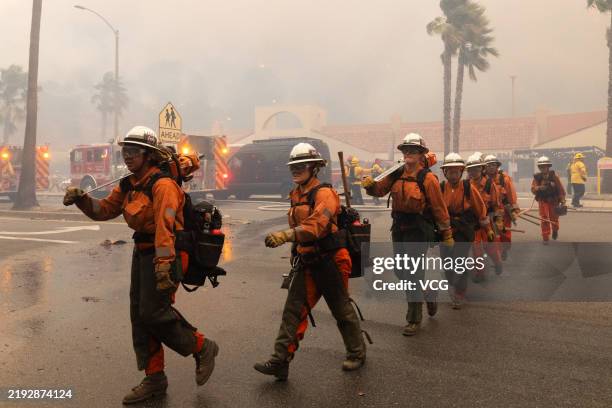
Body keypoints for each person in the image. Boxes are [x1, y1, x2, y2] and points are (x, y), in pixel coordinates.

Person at [63, 126, 218, 404]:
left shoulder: (163, 186)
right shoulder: (129, 184)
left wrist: (163, 266)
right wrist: (82, 200)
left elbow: (165, 226)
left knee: (154, 313)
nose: (128, 156)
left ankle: (202, 347)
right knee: (140, 316)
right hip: (144, 253)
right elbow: (105, 211)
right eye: (126, 151)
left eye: (134, 152)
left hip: (165, 254)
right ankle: (154, 378)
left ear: (149, 155)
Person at [254, 142, 366, 381]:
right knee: (293, 312)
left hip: (332, 259)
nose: (296, 170)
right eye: (293, 166)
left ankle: (357, 353)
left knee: (341, 310)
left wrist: (286, 235)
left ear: (314, 167)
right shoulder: (296, 194)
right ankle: (279, 361)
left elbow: (316, 225)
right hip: (307, 259)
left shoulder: (324, 194)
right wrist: (295, 250)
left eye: (302, 165)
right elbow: (300, 228)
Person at [361, 133, 453, 336]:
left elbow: (439, 208)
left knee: (412, 274)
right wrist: (370, 186)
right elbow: (379, 190)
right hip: (399, 228)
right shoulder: (396, 173)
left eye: (413, 150)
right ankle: (428, 291)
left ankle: (413, 319)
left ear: (421, 154)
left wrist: (446, 232)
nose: (408, 153)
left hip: (418, 230)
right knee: (400, 272)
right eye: (405, 150)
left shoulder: (428, 179)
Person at [439, 153, 490, 309]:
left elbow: (480, 207)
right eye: (450, 172)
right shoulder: (440, 188)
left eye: (456, 172)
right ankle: (452, 284)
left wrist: (486, 225)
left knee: (458, 261)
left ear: (461, 172)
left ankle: (460, 293)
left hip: (463, 230)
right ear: (445, 173)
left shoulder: (468, 188)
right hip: (445, 231)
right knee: (447, 263)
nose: (453, 175)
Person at [466, 154, 504, 281]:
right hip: (473, 223)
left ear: (482, 169)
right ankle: (480, 274)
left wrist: (498, 220)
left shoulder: (489, 184)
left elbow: (497, 204)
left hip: (488, 222)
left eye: (476, 169)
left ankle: (498, 263)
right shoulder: (466, 185)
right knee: (476, 249)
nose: (473, 172)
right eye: (471, 169)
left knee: (490, 246)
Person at [483, 155, 520, 260]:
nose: (490, 167)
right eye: (488, 165)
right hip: (488, 211)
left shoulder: (504, 179)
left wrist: (514, 211)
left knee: (504, 234)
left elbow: (511, 196)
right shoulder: (482, 179)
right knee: (494, 235)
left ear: (497, 166)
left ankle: (504, 249)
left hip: (503, 211)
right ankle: (497, 255)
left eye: (493, 165)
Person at [531, 156, 566, 244]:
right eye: (541, 167)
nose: (543, 168)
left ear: (548, 167)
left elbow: (560, 189)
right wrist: (539, 188)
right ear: (539, 168)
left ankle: (555, 230)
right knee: (544, 219)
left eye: (545, 166)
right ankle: (545, 236)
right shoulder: (537, 178)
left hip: (553, 201)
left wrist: (562, 200)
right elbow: (533, 189)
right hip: (543, 201)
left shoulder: (554, 177)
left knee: (554, 218)